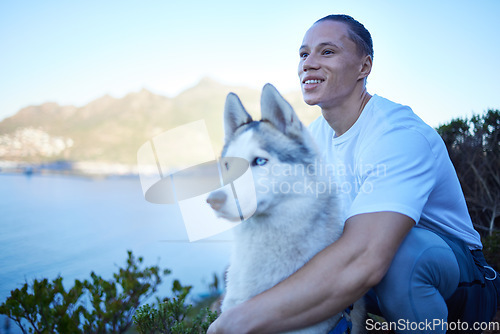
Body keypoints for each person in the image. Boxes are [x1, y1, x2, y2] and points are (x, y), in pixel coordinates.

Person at [208, 14, 499, 334]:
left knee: (404, 256)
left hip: (455, 280)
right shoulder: (311, 139)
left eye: (327, 52)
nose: (309, 63)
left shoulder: (397, 134)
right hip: (366, 278)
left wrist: (242, 318)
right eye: (304, 54)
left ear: (364, 67)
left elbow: (367, 257)